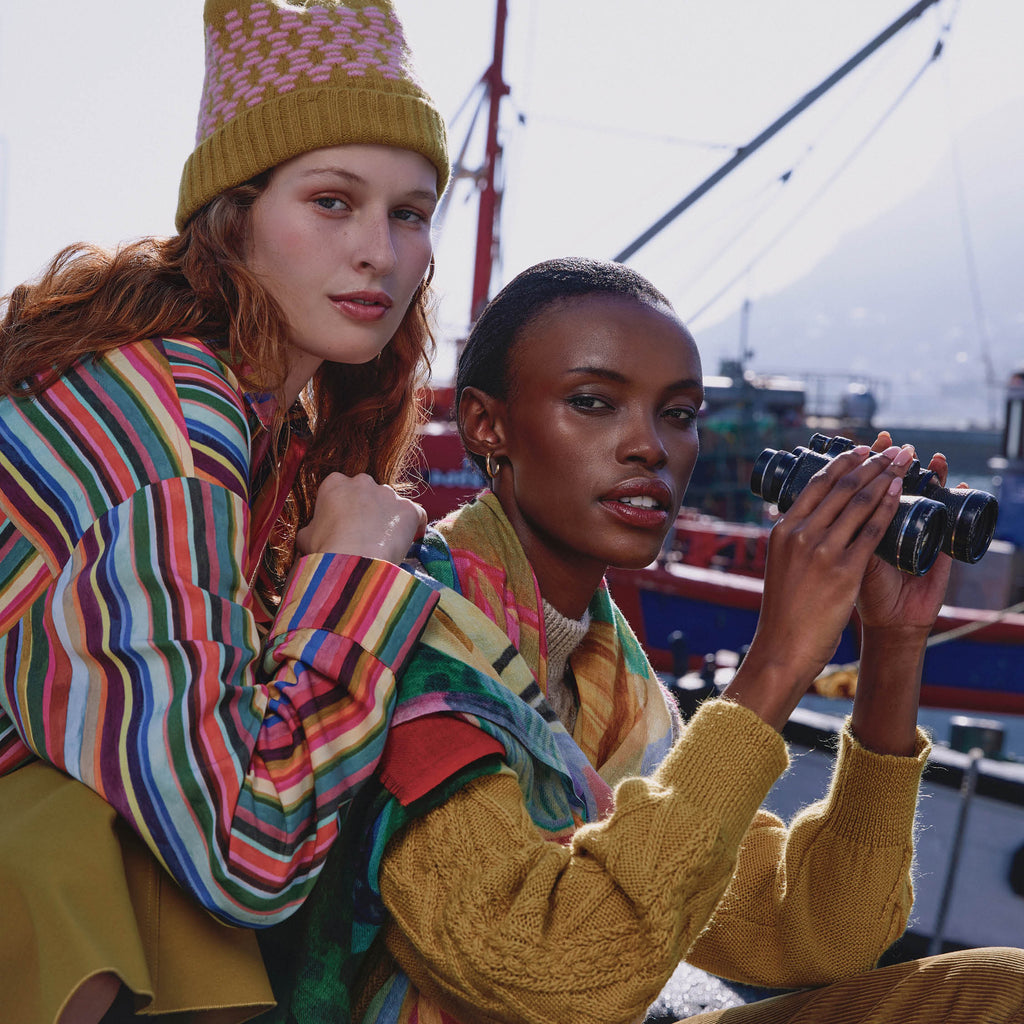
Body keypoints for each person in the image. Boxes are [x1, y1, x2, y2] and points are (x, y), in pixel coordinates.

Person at [257, 257, 1024, 1024]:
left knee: (1001, 987)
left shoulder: (611, 675)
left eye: (679, 414)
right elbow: (551, 977)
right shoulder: (415, 640)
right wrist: (777, 663)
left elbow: (820, 933)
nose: (649, 447)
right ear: (488, 425)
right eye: (593, 402)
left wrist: (894, 643)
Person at [0, 2, 450, 1021]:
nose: (378, 251)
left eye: (410, 213)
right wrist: (356, 581)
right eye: (331, 201)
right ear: (232, 216)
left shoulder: (262, 423)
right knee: (95, 855)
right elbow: (246, 850)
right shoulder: (168, 423)